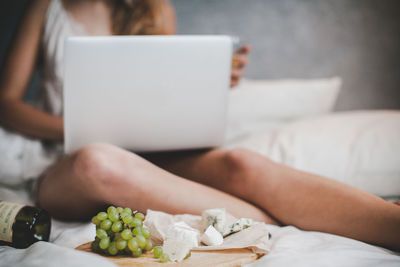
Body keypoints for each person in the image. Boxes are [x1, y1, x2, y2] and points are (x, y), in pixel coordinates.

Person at [0, 0, 399, 252]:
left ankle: (388, 223)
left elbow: (161, 96)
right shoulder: (46, 6)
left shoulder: (156, 10)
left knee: (244, 164)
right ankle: (305, 221)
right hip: (65, 159)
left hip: (150, 153)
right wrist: (77, 128)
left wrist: (208, 81)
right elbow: (7, 103)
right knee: (98, 161)